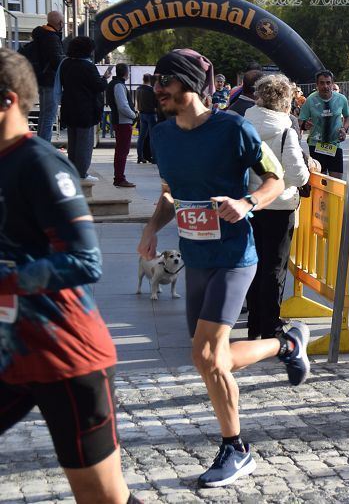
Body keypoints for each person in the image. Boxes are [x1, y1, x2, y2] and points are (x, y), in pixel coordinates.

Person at [138, 48, 310, 488]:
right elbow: (170, 193)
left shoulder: (234, 128)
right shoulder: (163, 136)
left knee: (208, 356)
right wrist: (152, 229)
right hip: (195, 259)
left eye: (165, 81)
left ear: (191, 84)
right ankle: (284, 345)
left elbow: (276, 179)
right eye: (156, 82)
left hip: (235, 257)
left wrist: (246, 201)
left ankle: (236, 448)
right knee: (208, 359)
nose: (157, 89)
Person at [0, 48, 139, 503]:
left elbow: (85, 261)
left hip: (68, 357)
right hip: (10, 355)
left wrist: (10, 278)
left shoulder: (39, 163)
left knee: (103, 498)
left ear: (7, 101)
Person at [244, 75, 311, 340]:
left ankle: (253, 322)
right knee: (275, 266)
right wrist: (308, 170)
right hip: (279, 204)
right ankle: (270, 323)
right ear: (286, 101)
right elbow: (297, 176)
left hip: (248, 203)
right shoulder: (286, 129)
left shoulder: (243, 123)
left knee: (253, 263)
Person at [57, 36, 109, 181]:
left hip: (69, 107)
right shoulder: (88, 66)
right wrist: (105, 78)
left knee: (73, 143)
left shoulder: (65, 64)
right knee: (84, 144)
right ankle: (82, 173)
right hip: (85, 110)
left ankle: (72, 170)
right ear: (87, 50)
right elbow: (98, 86)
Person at [298, 69, 349, 179]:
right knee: (320, 182)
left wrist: (344, 129)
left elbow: (348, 116)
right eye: (322, 83)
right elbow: (301, 120)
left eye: (328, 82)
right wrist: (304, 125)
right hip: (316, 145)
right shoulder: (310, 100)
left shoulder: (341, 99)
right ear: (317, 84)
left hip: (334, 144)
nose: (325, 86)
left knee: (336, 182)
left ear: (332, 84)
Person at [26, 10, 63, 142]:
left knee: (44, 114)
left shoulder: (40, 35)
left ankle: (41, 143)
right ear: (60, 23)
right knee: (49, 116)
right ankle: (44, 145)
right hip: (50, 81)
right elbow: (56, 61)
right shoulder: (51, 37)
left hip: (40, 79)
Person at [105, 63, 136, 188]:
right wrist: (134, 116)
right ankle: (119, 178)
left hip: (121, 121)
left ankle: (119, 177)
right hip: (123, 122)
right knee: (122, 151)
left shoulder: (115, 84)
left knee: (121, 151)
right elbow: (122, 106)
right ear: (125, 73)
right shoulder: (118, 85)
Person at [135, 73, 158, 163]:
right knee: (152, 137)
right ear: (150, 80)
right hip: (151, 114)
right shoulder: (151, 90)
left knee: (141, 137)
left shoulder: (138, 89)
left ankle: (139, 157)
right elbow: (156, 103)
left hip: (142, 114)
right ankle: (154, 158)